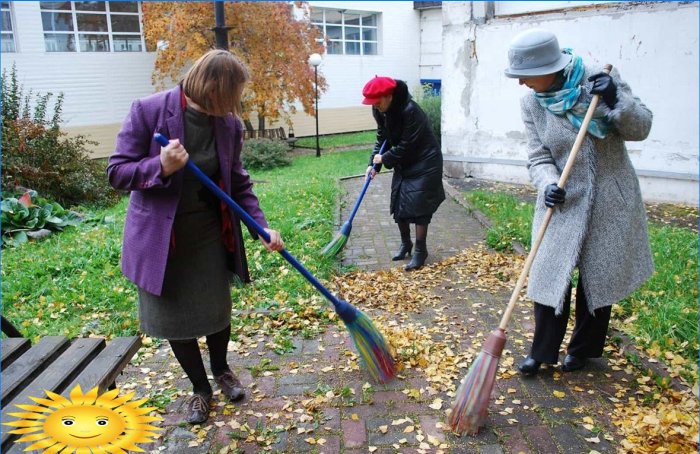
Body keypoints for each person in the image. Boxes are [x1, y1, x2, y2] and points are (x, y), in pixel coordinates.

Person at [107, 49, 284, 424]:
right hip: (162, 240)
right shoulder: (149, 111)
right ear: (213, 89)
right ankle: (199, 388)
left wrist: (261, 225)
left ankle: (222, 371)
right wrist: (161, 165)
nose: (236, 103)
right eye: (232, 94)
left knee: (215, 311)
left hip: (208, 235)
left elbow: (238, 182)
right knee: (175, 318)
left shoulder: (228, 125)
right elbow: (117, 172)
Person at [504, 29, 654, 375]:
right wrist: (547, 184)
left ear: (550, 68)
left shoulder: (599, 80)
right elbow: (538, 156)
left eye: (525, 75)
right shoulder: (531, 103)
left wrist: (617, 99)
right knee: (548, 273)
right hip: (562, 199)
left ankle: (583, 350)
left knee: (597, 275)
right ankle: (542, 352)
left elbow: (642, 126)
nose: (521, 83)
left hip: (609, 197)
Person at [362, 76, 445, 271]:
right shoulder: (379, 110)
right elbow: (382, 138)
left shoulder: (411, 111)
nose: (375, 105)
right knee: (399, 202)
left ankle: (420, 251)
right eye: (372, 103)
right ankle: (406, 244)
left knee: (420, 207)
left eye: (378, 101)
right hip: (404, 162)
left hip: (425, 160)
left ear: (389, 96)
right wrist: (373, 164)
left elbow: (408, 144)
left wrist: (385, 158)